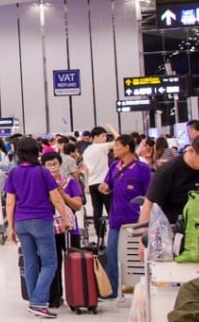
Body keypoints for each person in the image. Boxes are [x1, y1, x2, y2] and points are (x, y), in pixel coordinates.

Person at [5, 139, 73, 319]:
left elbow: (10, 202)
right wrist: (66, 219)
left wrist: (10, 227)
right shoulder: (43, 172)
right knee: (50, 262)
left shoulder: (13, 173)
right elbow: (56, 198)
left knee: (30, 262)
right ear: (37, 152)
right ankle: (38, 302)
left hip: (21, 221)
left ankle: (34, 301)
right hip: (41, 220)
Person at [98, 134, 151, 300]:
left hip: (136, 220)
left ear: (127, 147)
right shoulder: (114, 166)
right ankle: (112, 289)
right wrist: (103, 188)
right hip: (116, 219)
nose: (114, 149)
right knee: (111, 254)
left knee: (137, 257)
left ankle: (142, 288)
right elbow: (107, 185)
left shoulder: (142, 168)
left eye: (117, 146)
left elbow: (149, 194)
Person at [43, 150, 84, 308]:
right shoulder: (43, 184)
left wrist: (63, 196)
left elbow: (78, 205)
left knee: (74, 262)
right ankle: (54, 298)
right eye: (49, 165)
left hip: (70, 229)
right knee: (53, 263)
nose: (52, 167)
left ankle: (77, 296)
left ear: (60, 165)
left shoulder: (70, 182)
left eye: (55, 164)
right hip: (50, 230)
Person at [139, 136, 199, 226]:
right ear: (191, 151)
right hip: (172, 229)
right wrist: (143, 234)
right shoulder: (168, 171)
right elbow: (149, 204)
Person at [81, 125, 116, 243]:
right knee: (111, 208)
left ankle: (100, 235)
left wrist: (86, 184)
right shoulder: (100, 147)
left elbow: (85, 168)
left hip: (92, 183)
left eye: (106, 136)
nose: (105, 138)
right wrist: (112, 128)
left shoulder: (87, 150)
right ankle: (114, 232)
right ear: (95, 137)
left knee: (97, 210)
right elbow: (120, 141)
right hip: (103, 182)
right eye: (103, 136)